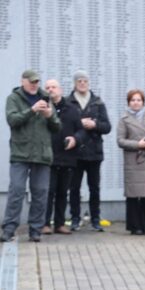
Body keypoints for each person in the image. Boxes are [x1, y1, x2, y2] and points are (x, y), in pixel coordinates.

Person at [1, 70, 60, 244]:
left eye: (36, 82)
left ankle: (35, 230)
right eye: (31, 81)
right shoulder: (14, 98)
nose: (34, 85)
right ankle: (9, 229)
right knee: (16, 190)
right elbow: (12, 120)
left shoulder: (46, 98)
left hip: (42, 154)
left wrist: (50, 116)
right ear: (23, 81)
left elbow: (57, 127)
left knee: (40, 193)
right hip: (21, 153)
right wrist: (32, 110)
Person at [68, 72, 111, 232]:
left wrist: (95, 125)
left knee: (94, 188)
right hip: (75, 153)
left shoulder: (97, 102)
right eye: (79, 81)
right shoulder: (68, 102)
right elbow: (64, 126)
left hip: (94, 152)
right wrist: (79, 123)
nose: (82, 83)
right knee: (74, 188)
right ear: (75, 83)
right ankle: (75, 218)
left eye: (85, 80)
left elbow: (107, 127)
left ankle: (95, 219)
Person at [116, 89, 145, 236]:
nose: (136, 103)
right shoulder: (124, 119)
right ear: (128, 102)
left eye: (139, 100)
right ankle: (135, 226)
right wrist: (138, 144)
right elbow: (120, 140)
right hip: (133, 161)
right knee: (133, 195)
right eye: (133, 100)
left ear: (143, 102)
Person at [43, 79, 83, 235]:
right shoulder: (43, 108)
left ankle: (59, 224)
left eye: (53, 87)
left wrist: (75, 139)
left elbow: (81, 131)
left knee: (62, 192)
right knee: (48, 192)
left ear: (60, 90)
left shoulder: (72, 109)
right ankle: (45, 223)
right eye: (47, 87)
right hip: (48, 157)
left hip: (67, 157)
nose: (50, 90)